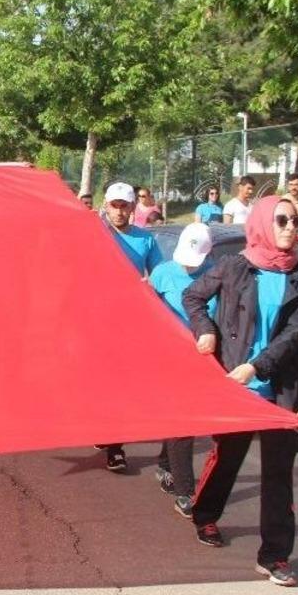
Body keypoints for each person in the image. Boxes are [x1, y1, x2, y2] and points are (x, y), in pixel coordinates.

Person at [183, 196, 298, 587]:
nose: (290, 227)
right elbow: (193, 297)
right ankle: (205, 515)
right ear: (261, 223)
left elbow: (294, 332)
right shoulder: (234, 266)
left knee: (279, 472)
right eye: (282, 220)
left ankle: (274, 555)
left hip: (279, 386)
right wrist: (205, 330)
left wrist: (257, 368)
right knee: (227, 456)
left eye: (295, 220)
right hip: (235, 384)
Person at [97, 182, 163, 473]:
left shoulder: (146, 239)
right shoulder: (93, 233)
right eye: (114, 205)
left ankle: (115, 446)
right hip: (95, 317)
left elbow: (159, 273)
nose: (119, 211)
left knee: (120, 383)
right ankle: (102, 426)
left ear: (133, 207)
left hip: (129, 322)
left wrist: (150, 285)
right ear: (106, 206)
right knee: (98, 380)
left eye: (124, 206)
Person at [149, 223, 214, 518]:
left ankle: (166, 464)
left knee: (184, 420)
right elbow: (146, 310)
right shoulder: (163, 273)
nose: (189, 265)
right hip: (169, 358)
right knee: (183, 421)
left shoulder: (216, 274)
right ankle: (185, 491)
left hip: (204, 357)